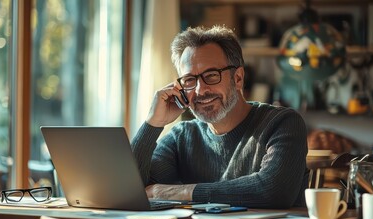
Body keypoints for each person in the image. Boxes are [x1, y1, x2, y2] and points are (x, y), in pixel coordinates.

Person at [131, 25, 308, 208]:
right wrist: (153, 123)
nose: (200, 90)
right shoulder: (181, 137)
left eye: (211, 75)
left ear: (238, 78)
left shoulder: (283, 123)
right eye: (190, 80)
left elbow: (274, 191)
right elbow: (130, 189)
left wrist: (178, 192)